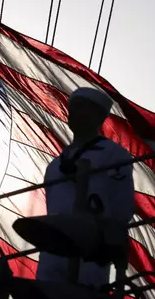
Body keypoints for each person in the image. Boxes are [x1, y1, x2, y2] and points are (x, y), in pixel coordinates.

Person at [36, 87, 136, 288]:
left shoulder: (113, 155)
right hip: (54, 244)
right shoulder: (54, 165)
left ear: (98, 115)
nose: (73, 112)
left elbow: (121, 206)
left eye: (81, 107)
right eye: (72, 108)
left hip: (90, 245)